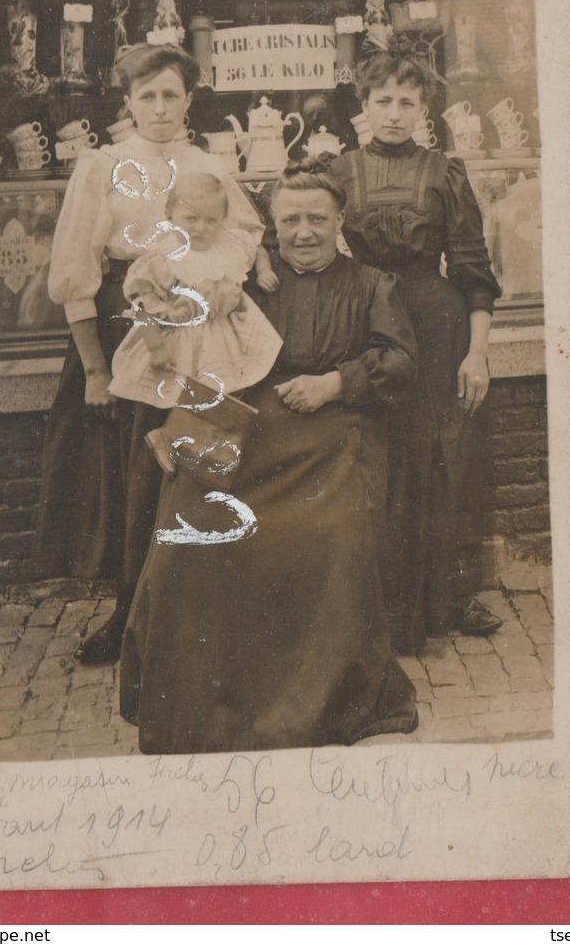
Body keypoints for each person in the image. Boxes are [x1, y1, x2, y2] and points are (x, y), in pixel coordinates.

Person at [119, 160, 419, 754]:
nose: (303, 231)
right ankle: (202, 701)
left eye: (317, 219)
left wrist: (335, 382)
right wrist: (170, 425)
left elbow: (402, 360)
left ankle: (317, 703)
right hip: (245, 432)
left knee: (326, 532)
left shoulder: (371, 284)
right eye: (290, 220)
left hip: (332, 436)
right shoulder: (241, 277)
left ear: (339, 222)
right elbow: (183, 346)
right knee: (188, 529)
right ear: (271, 226)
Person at [33, 44, 264, 664]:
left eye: (171, 95)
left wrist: (223, 278)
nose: (160, 108)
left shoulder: (210, 162)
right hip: (126, 326)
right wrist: (95, 368)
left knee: (194, 454)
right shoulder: (103, 166)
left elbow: (244, 230)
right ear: (128, 103)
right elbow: (75, 268)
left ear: (190, 100)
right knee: (128, 471)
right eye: (147, 96)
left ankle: (193, 608)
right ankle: (128, 611)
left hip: (203, 330)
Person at [329, 45, 503, 654]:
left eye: (408, 101)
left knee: (438, 456)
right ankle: (374, 602)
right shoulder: (338, 171)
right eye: (384, 101)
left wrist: (477, 353)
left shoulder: (445, 171)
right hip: (368, 324)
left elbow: (475, 269)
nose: (395, 114)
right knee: (373, 457)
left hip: (436, 325)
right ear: (365, 106)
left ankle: (446, 597)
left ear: (424, 108)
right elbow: (299, 242)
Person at [109, 172, 283, 409]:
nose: (200, 228)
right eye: (191, 218)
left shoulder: (228, 248)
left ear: (223, 219)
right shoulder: (164, 257)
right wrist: (155, 347)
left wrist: (264, 271)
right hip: (177, 340)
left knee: (224, 397)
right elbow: (142, 304)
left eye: (211, 220)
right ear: (170, 216)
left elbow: (256, 248)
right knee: (179, 397)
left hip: (223, 335)